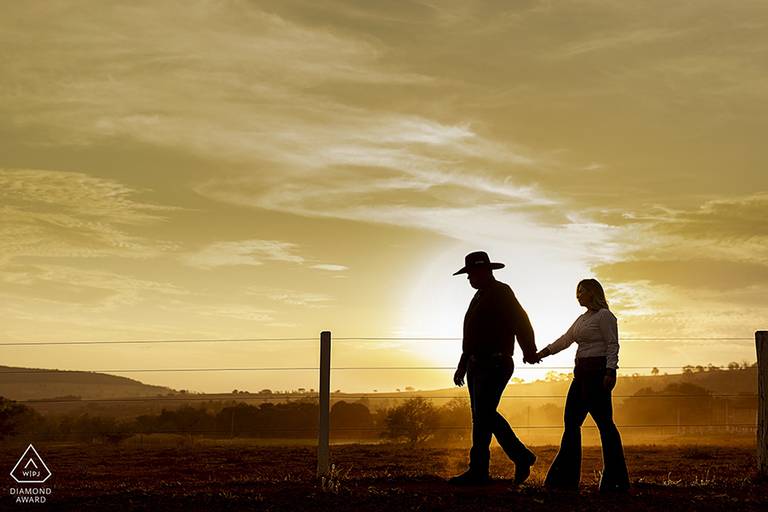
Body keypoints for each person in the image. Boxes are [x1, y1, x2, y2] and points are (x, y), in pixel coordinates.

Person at [448, 251, 539, 486]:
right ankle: (481, 469)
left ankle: (518, 458)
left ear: (484, 271)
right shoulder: (479, 297)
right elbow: (471, 336)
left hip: (495, 363)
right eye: (467, 275)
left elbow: (521, 320)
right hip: (476, 364)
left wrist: (528, 350)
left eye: (471, 274)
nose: (469, 279)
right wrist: (462, 365)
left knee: (483, 415)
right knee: (480, 417)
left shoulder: (501, 292)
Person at [533, 278, 630, 492]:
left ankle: (615, 481)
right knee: (571, 422)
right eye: (577, 292)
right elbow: (566, 339)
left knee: (604, 423)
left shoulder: (605, 316)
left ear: (593, 293)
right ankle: (564, 479)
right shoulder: (581, 319)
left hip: (598, 372)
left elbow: (613, 344)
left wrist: (610, 370)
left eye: (582, 291)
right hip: (581, 373)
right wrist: (544, 353)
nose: (578, 295)